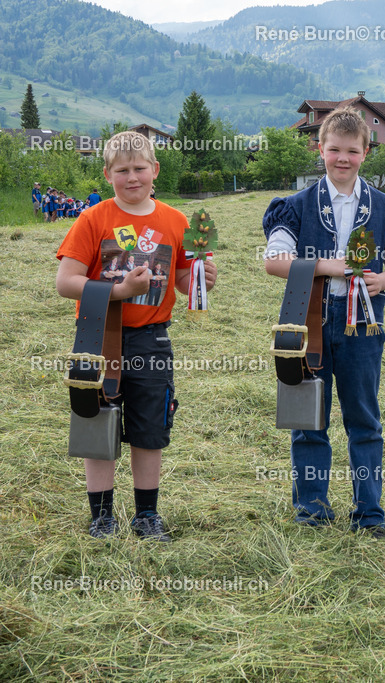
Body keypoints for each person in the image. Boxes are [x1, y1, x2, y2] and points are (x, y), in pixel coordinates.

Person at [55, 130, 218, 541]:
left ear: (155, 171)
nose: (132, 177)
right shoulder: (93, 219)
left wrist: (200, 279)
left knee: (150, 427)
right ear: (108, 173)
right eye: (122, 170)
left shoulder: (177, 220)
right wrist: (119, 292)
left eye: (140, 168)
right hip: (97, 336)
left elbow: (182, 280)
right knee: (98, 423)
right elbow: (66, 281)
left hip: (152, 338)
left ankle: (146, 515)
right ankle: (102, 517)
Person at [263, 106, 385, 537]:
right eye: (334, 150)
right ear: (320, 149)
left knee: (364, 418)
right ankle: (312, 508)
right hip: (307, 324)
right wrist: (332, 266)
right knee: (308, 417)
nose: (342, 158)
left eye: (352, 150)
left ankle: (369, 512)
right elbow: (275, 261)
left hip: (362, 326)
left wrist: (383, 280)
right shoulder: (294, 207)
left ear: (366, 151)